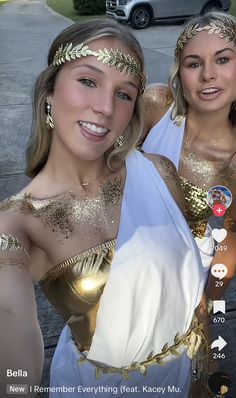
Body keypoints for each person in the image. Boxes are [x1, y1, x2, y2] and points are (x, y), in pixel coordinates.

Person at [0, 19, 207, 398]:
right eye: (88, 81)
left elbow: (193, 290)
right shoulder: (17, 223)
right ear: (49, 91)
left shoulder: (159, 172)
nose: (105, 107)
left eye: (125, 94)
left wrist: (203, 373)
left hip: (188, 375)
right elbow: (11, 329)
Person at [142, 11, 236, 302]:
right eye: (194, 63)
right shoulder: (156, 107)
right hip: (122, 263)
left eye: (223, 59)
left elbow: (230, 243)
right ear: (180, 73)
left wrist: (209, 303)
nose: (208, 74)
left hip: (185, 284)